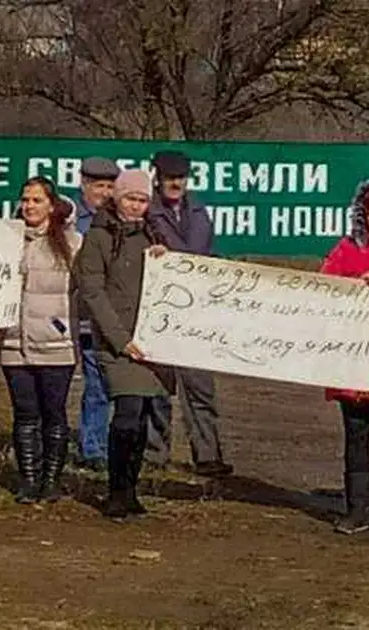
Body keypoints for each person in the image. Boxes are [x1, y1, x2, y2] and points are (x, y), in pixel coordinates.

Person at [75, 169, 175, 521]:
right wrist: (119, 339)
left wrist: (166, 259)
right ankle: (117, 492)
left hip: (150, 340)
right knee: (128, 413)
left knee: (145, 415)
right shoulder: (99, 237)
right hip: (117, 342)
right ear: (117, 198)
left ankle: (131, 491)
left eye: (142, 200)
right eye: (131, 198)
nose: (136, 205)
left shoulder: (153, 234)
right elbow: (92, 291)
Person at [145, 151, 233, 478]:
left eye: (180, 177)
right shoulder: (147, 211)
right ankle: (155, 454)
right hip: (161, 310)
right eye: (169, 177)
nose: (175, 183)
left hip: (196, 312)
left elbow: (208, 253)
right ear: (158, 177)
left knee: (200, 388)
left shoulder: (199, 212)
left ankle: (208, 455)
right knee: (158, 387)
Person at [0, 176, 82, 503]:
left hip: (56, 345)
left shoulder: (73, 244)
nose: (30, 206)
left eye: (36, 200)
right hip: (14, 343)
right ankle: (28, 481)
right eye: (26, 200)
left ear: (51, 204)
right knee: (24, 414)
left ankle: (51, 481)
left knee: (54, 413)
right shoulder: (5, 241)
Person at [318, 174, 369, 535]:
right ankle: (356, 510)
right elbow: (325, 286)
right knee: (356, 435)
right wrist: (357, 285)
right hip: (352, 362)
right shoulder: (346, 249)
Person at [73, 157, 120, 472]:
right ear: (84, 185)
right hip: (81, 313)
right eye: (98, 185)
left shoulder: (120, 220)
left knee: (108, 384)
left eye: (109, 186)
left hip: (114, 315)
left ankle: (105, 444)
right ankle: (92, 447)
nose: (104, 192)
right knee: (94, 386)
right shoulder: (72, 220)